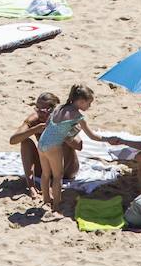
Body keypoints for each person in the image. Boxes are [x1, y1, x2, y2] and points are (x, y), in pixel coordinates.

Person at [38, 85, 109, 215]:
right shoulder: (77, 116)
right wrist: (108, 139)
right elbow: (93, 136)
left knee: (46, 174)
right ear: (81, 101)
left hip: (42, 143)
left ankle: (46, 199)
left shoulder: (59, 107)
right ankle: (57, 205)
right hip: (53, 147)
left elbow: (48, 124)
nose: (89, 106)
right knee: (58, 176)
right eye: (89, 103)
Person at [9, 92, 80, 197]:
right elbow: (13, 140)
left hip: (67, 169)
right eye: (36, 108)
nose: (39, 113)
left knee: (59, 144)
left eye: (42, 110)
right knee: (25, 142)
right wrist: (34, 130)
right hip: (45, 167)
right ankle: (31, 186)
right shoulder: (35, 119)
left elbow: (79, 145)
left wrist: (61, 132)